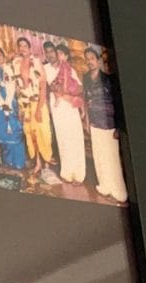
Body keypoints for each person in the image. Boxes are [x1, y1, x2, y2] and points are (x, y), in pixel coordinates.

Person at [83, 48, 128, 202]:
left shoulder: (109, 79)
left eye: (92, 58)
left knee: (112, 158)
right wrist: (88, 121)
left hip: (109, 124)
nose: (90, 61)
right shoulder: (86, 78)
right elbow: (86, 100)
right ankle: (104, 185)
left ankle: (118, 191)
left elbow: (118, 103)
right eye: (87, 59)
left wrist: (118, 126)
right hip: (95, 122)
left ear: (98, 60)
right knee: (99, 156)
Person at [13, 37, 55, 176]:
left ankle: (47, 165)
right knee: (31, 135)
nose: (23, 48)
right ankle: (38, 163)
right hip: (25, 104)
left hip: (38, 103)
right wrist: (20, 108)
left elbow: (43, 85)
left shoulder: (36, 62)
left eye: (25, 45)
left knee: (43, 134)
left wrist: (38, 109)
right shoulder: (16, 63)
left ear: (30, 48)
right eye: (20, 46)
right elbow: (18, 87)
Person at [47, 44, 86, 184]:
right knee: (63, 139)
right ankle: (66, 173)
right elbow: (49, 87)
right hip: (58, 110)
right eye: (55, 53)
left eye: (59, 53)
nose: (57, 55)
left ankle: (79, 174)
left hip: (69, 107)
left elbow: (79, 88)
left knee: (74, 138)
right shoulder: (47, 69)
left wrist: (68, 96)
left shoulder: (70, 70)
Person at [0, 46, 26, 170]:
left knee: (14, 132)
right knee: (2, 133)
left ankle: (19, 162)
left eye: (0, 54)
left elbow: (17, 90)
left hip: (11, 104)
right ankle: (8, 162)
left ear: (4, 56)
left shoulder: (10, 69)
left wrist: (20, 107)